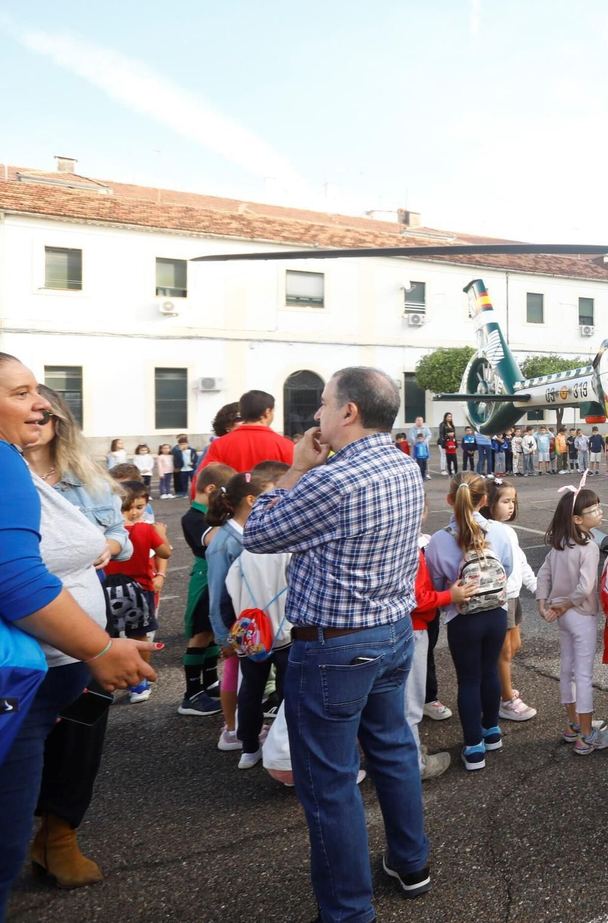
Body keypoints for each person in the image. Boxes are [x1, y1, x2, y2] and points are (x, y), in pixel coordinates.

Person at [0, 353, 156, 921]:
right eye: (21, 393)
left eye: (38, 394)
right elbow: (15, 579)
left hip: (32, 686)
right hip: (3, 694)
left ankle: (56, 839)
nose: (41, 403)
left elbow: (109, 535)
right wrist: (100, 649)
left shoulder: (8, 460)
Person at [243, 366, 431, 914]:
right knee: (393, 748)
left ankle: (349, 908)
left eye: (323, 405)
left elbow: (258, 533)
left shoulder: (332, 478)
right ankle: (410, 860)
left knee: (329, 781)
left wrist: (295, 469)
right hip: (393, 631)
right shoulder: (404, 465)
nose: (316, 415)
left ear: (348, 411)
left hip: (335, 644)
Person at [24, 385, 138, 889]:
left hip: (88, 642)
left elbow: (123, 530)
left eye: (44, 415)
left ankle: (59, 837)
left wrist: (110, 542)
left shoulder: (86, 480)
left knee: (79, 740)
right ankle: (10, 835)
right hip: (21, 643)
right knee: (14, 744)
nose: (35, 422)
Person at [424, 472, 513, 772]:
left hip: (463, 616)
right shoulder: (499, 532)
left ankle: (474, 747)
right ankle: (492, 731)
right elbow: (508, 569)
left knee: (468, 680)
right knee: (489, 672)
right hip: (497, 613)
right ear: (485, 500)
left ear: (450, 500)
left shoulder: (438, 540)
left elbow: (436, 583)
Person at [208, 466, 291, 768]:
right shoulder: (285, 551)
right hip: (283, 634)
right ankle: (284, 745)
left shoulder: (244, 555)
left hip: (251, 635)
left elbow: (226, 594)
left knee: (251, 689)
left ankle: (248, 746)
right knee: (287, 690)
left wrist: (232, 631)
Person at [536, 484, 608, 754]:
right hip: (580, 615)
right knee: (583, 674)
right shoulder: (588, 546)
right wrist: (566, 604)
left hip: (563, 616)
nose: (600, 512)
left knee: (567, 670)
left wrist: (545, 604)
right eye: (594, 510)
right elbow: (585, 587)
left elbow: (543, 575)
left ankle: (574, 724)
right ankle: (587, 735)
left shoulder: (560, 542)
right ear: (577, 519)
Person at [407, 521, 468, 780]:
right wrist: (448, 597)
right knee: (409, 704)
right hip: (411, 628)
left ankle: (405, 752)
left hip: (399, 628)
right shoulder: (405, 548)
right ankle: (413, 764)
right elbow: (415, 598)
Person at [177, 461, 237, 717]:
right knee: (200, 634)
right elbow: (212, 539)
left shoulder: (213, 514)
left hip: (219, 576)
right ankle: (191, 694)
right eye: (223, 494)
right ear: (211, 488)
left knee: (213, 632)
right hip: (205, 579)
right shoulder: (193, 516)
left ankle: (210, 681)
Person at [106, 480, 170, 702]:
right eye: (129, 507)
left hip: (106, 589)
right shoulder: (146, 529)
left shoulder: (105, 530)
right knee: (140, 634)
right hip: (140, 589)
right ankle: (140, 681)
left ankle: (109, 681)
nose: (134, 512)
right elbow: (165, 552)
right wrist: (160, 534)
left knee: (108, 636)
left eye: (139, 507)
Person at [483, 478, 537, 723]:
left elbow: (522, 562)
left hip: (513, 597)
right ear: (488, 502)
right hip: (500, 600)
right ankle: (505, 699)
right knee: (503, 651)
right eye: (505, 501)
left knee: (514, 646)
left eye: (513, 501)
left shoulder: (508, 531)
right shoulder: (488, 530)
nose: (511, 506)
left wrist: (537, 589)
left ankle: (501, 688)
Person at [194, 390, 296, 480]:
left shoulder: (219, 445)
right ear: (267, 412)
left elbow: (202, 483)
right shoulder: (286, 446)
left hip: (231, 501)